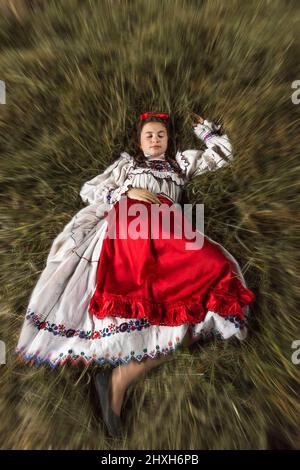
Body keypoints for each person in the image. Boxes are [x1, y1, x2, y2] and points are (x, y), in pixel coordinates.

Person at [16, 111, 256, 438]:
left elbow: (222, 156)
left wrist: (206, 131)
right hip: (133, 220)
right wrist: (125, 194)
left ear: (169, 140)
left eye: (161, 135)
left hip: (171, 227)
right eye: (149, 135)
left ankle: (118, 378)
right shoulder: (128, 165)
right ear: (139, 141)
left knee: (213, 264)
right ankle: (117, 380)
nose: (155, 139)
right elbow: (91, 189)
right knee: (145, 281)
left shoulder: (180, 165)